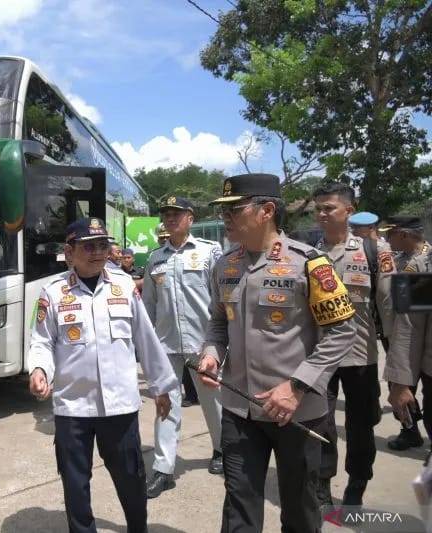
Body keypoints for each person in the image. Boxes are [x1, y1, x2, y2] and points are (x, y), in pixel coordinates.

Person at [196, 173, 356, 532]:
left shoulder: (309, 263)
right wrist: (211, 354)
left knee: (300, 510)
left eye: (234, 209)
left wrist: (296, 386)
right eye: (223, 210)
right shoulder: (225, 265)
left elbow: (342, 331)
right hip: (240, 411)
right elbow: (218, 323)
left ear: (266, 210)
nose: (226, 217)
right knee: (239, 506)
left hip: (297, 413)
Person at [28, 217, 178, 533]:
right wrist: (40, 369)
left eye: (101, 245)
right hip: (73, 407)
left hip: (120, 405)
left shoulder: (124, 285)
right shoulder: (52, 293)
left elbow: (146, 339)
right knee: (75, 482)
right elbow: (42, 341)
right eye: (88, 247)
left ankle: (139, 528)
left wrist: (162, 387)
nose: (97, 252)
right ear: (69, 253)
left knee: (132, 476)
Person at [311, 183, 394, 507]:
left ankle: (357, 483)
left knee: (361, 427)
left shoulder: (375, 251)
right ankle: (321, 484)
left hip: (361, 355)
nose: (321, 214)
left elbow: (388, 309)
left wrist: (399, 366)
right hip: (318, 357)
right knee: (321, 425)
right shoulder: (307, 253)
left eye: (328, 208)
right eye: (317, 208)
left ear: (348, 210)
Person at [142, 196, 225, 498]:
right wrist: (146, 343)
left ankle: (221, 450)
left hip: (203, 343)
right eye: (166, 214)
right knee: (165, 405)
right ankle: (164, 469)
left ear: (190, 217)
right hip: (166, 344)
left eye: (177, 214)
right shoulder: (155, 259)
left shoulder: (209, 252)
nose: (171, 218)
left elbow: (220, 298)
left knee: (212, 401)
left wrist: (221, 341)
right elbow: (149, 305)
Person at [382, 215, 431, 451]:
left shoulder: (422, 263)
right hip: (406, 340)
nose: (387, 239)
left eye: (390, 234)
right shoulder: (410, 263)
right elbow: (410, 324)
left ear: (403, 234)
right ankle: (409, 430)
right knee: (403, 390)